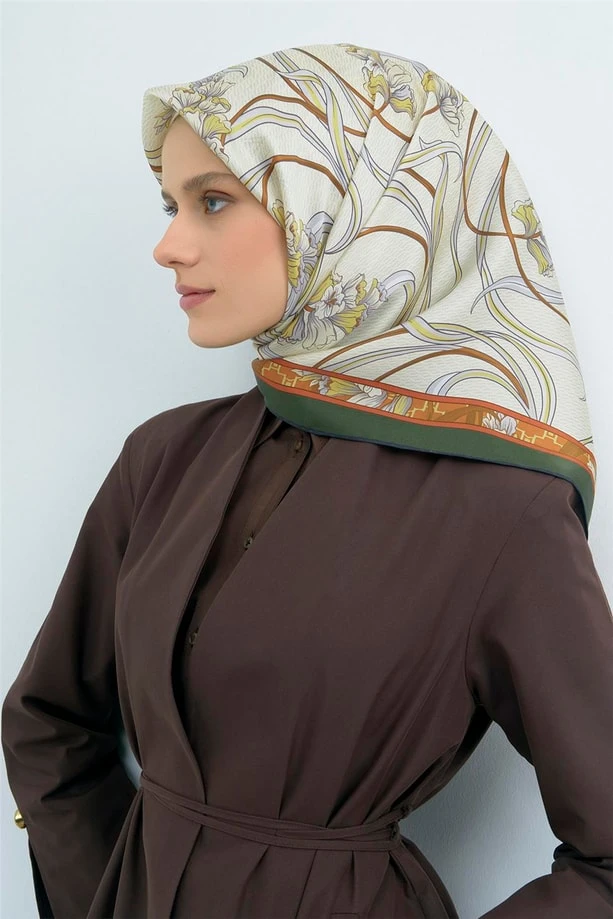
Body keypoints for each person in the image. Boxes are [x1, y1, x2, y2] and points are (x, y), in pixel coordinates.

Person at [2, 41, 612, 919]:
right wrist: (104, 893)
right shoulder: (164, 457)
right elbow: (47, 718)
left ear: (351, 206)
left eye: (214, 201)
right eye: (171, 204)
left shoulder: (503, 509)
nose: (168, 245)